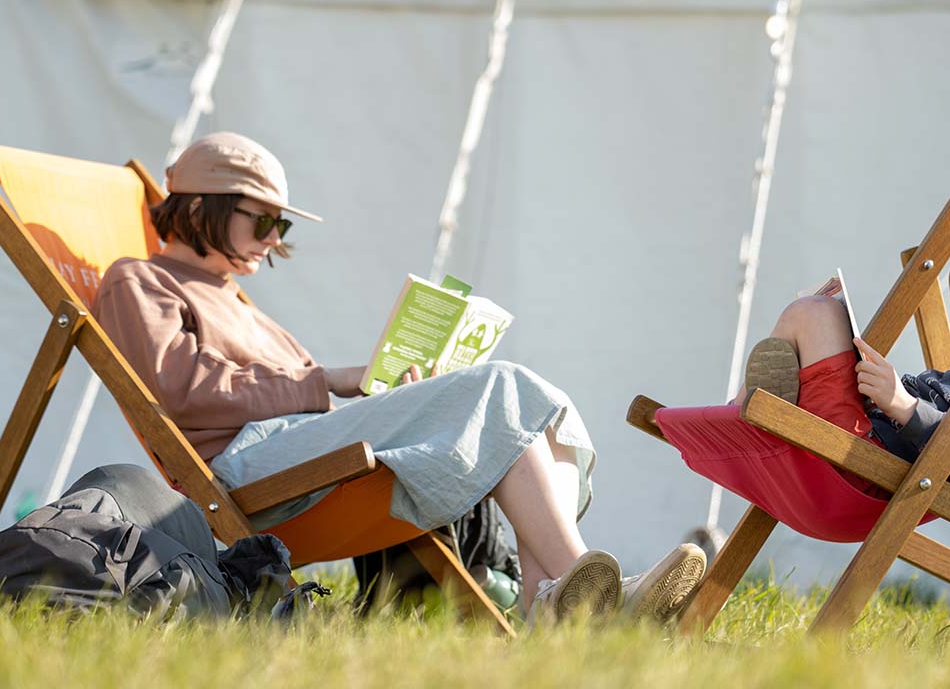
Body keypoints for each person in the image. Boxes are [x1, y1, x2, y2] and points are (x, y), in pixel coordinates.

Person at [92, 132, 705, 625]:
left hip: (294, 447)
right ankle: (588, 592)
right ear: (200, 207)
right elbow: (177, 389)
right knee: (499, 385)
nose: (275, 240)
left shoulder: (237, 299)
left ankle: (549, 598)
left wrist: (393, 394)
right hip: (241, 473)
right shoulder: (139, 281)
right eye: (263, 221)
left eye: (284, 226)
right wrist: (329, 380)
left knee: (534, 399)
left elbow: (289, 391)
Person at [735, 230, 950, 492]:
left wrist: (903, 405)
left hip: (862, 460)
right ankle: (747, 414)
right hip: (857, 438)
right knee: (812, 312)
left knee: (813, 313)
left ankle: (742, 419)